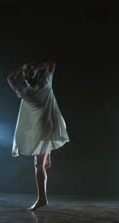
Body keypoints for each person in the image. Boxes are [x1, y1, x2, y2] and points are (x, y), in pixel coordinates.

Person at [7, 60, 70, 211]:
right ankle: (47, 156)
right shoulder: (46, 84)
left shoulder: (26, 93)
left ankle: (42, 198)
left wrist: (21, 68)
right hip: (51, 125)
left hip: (42, 130)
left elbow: (10, 79)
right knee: (43, 161)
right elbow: (52, 64)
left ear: (26, 79)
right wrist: (38, 67)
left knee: (38, 165)